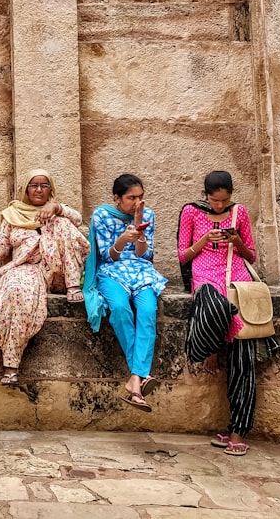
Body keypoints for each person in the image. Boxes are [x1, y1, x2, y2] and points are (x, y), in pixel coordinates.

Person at [0, 169, 89, 385]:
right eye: (34, 185)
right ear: (26, 189)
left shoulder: (58, 211)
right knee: (16, 290)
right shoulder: (12, 215)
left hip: (57, 271)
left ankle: (73, 286)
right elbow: (1, 249)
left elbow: (77, 220)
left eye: (44, 185)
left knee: (62, 224)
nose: (39, 190)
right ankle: (11, 366)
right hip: (27, 268)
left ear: (51, 189)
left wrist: (57, 208)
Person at [177, 170, 267, 456]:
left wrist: (235, 240)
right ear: (206, 195)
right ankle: (210, 346)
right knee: (213, 304)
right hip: (205, 278)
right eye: (215, 201)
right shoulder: (191, 212)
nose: (219, 206)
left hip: (236, 281)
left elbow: (250, 255)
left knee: (243, 360)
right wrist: (205, 239)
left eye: (224, 200)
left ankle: (238, 430)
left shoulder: (239, 213)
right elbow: (183, 255)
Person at [89, 174, 166, 413]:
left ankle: (135, 379)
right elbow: (106, 257)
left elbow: (144, 255)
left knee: (147, 311)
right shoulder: (102, 215)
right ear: (117, 198)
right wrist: (122, 239)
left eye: (141, 197)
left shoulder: (148, 215)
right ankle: (140, 375)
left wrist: (140, 224)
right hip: (112, 272)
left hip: (142, 272)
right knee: (120, 309)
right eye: (132, 198)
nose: (137, 202)